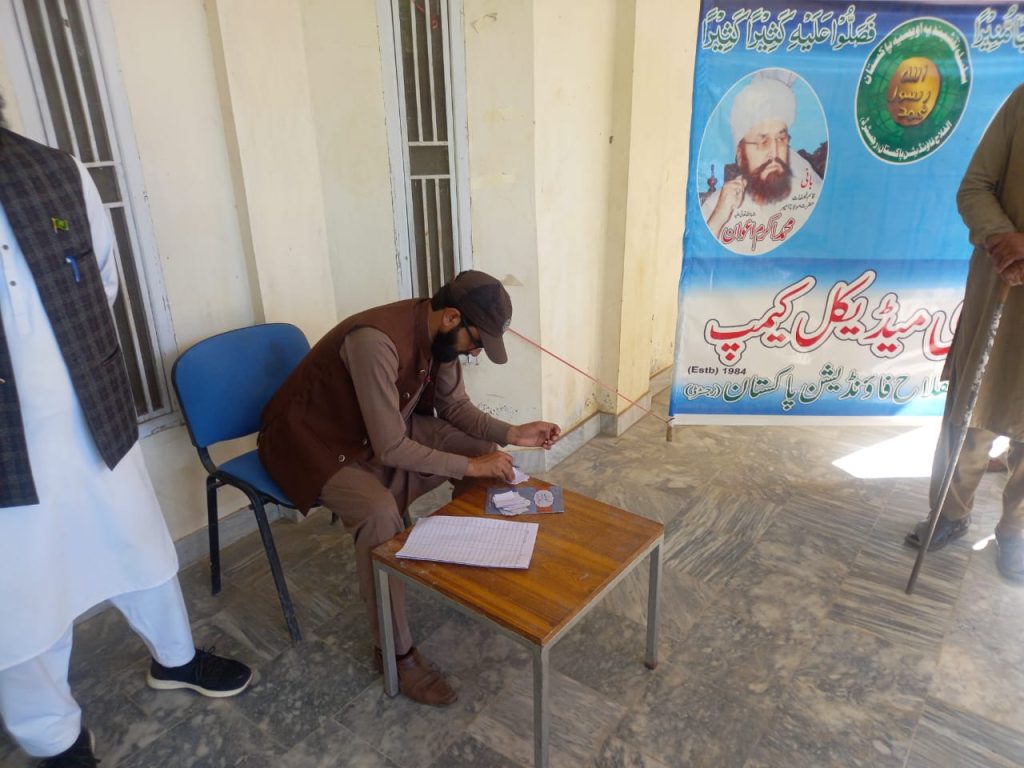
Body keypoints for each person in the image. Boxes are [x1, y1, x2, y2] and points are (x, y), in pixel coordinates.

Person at [0, 108, 252, 767]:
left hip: (91, 424)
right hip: (6, 455)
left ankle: (176, 659)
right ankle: (54, 738)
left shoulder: (57, 172)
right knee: (19, 604)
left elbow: (101, 279)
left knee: (138, 549)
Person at [258, 270, 561, 706]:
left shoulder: (442, 335)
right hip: (313, 445)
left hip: (371, 432)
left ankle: (473, 566)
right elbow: (391, 447)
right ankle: (394, 652)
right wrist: (472, 467)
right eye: (477, 343)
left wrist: (512, 433)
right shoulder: (375, 342)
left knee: (481, 449)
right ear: (452, 317)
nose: (475, 352)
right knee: (379, 512)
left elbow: (455, 407)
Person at [904, 84, 1024, 583]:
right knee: (973, 409)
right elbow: (974, 188)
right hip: (1003, 284)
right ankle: (951, 514)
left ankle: (1016, 532)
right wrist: (1002, 237)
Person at [701, 71, 823, 254]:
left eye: (781, 139)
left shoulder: (805, 190)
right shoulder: (717, 207)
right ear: (741, 153)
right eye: (762, 142)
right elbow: (702, 256)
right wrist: (719, 216)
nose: (774, 152)